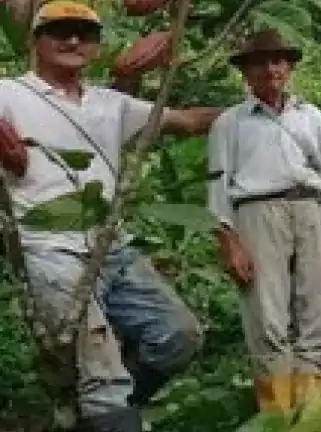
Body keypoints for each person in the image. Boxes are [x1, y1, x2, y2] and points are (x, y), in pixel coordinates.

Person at [0, 1, 223, 430]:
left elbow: (190, 122)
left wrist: (256, 106)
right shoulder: (10, 93)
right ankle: (106, 406)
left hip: (109, 244)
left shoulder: (112, 104)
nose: (72, 41)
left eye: (84, 33)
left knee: (178, 336)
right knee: (102, 373)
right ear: (35, 41)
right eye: (59, 31)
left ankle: (101, 414)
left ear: (97, 47)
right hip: (50, 248)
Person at [206, 28, 321, 415]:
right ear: (245, 73)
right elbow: (217, 187)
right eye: (260, 62)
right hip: (258, 213)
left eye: (277, 61)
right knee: (267, 323)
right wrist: (229, 241)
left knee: (320, 322)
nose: (270, 69)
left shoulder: (312, 116)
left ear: (289, 68)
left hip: (316, 211)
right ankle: (277, 417)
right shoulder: (230, 123)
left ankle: (310, 418)